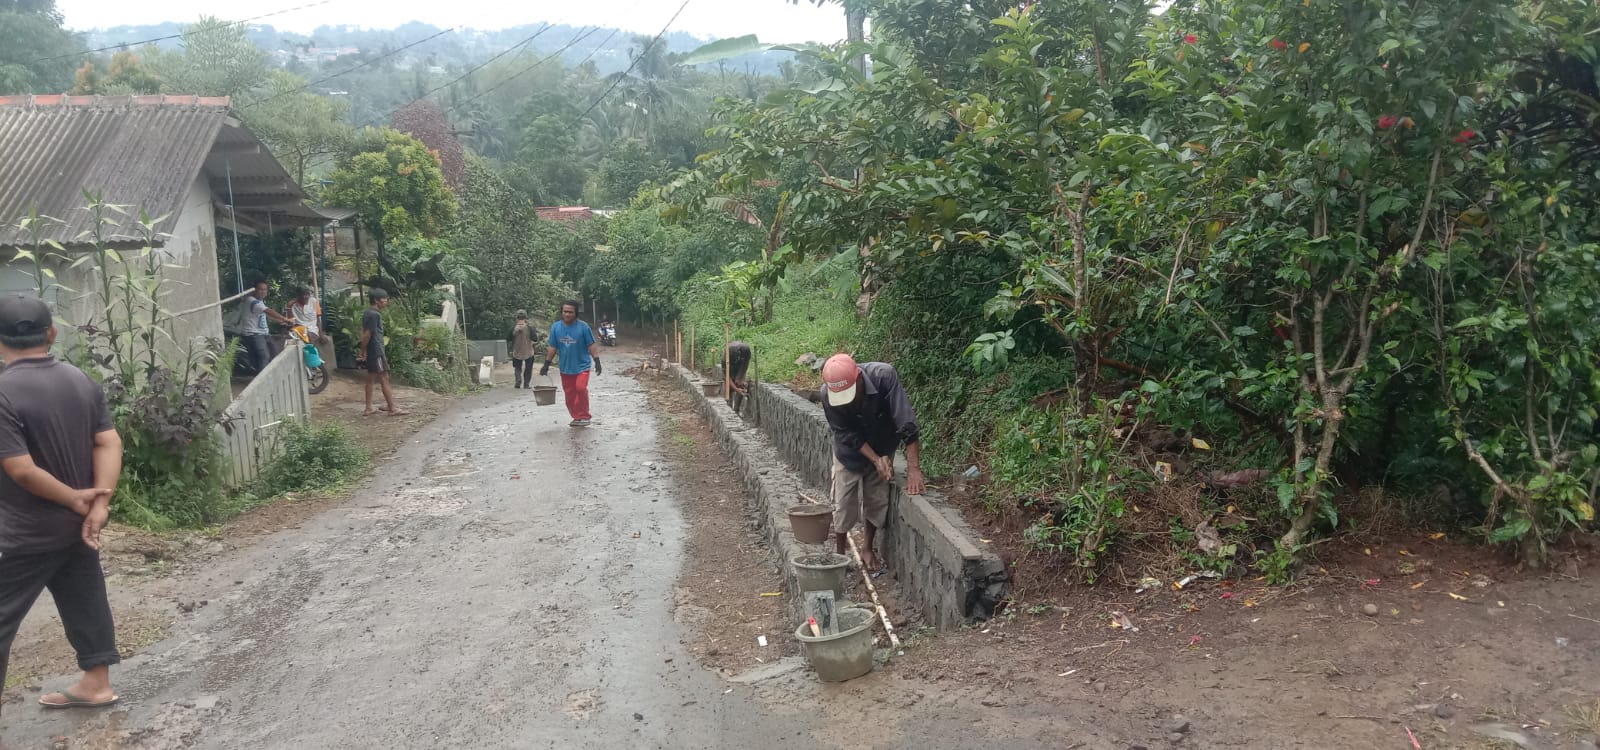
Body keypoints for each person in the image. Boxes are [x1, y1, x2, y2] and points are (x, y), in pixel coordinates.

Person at [0, 294, 124, 713]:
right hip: (79, 526)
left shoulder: (2, 392)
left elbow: (20, 469)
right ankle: (97, 682)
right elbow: (108, 440)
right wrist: (98, 505)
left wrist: (74, 498)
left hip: (22, 532)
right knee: (84, 596)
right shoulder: (79, 380)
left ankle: (94, 684)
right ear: (51, 334)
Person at [819, 353, 926, 572]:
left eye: (850, 393)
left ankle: (867, 547)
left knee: (876, 498)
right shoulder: (827, 394)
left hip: (883, 442)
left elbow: (906, 422)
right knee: (843, 501)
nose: (847, 400)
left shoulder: (884, 377)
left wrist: (914, 468)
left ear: (858, 377)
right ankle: (840, 554)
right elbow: (846, 433)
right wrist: (875, 459)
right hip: (849, 452)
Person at [540, 300, 601, 427]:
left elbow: (591, 344)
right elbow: (553, 347)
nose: (567, 314)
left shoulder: (583, 327)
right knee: (570, 394)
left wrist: (597, 360)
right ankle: (576, 417)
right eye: (565, 312)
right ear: (561, 312)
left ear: (575, 313)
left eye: (570, 312)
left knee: (580, 388)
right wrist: (546, 364)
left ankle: (584, 416)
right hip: (565, 368)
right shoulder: (556, 327)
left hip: (582, 366)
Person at [357, 289, 407, 417]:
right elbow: (368, 334)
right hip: (376, 350)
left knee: (371, 378)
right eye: (384, 299)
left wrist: (363, 349)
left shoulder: (368, 313)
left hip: (372, 350)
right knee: (384, 377)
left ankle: (369, 407)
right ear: (376, 300)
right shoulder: (375, 315)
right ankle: (392, 408)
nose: (386, 301)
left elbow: (363, 332)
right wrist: (363, 350)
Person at [240, 280, 293, 373]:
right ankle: (261, 379)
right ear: (254, 290)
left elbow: (264, 315)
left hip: (264, 333)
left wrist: (280, 321)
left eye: (265, 290)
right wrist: (285, 319)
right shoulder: (251, 301)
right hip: (253, 334)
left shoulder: (260, 301)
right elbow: (268, 311)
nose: (263, 292)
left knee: (274, 353)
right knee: (264, 355)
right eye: (260, 289)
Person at [508, 310, 539, 389]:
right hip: (528, 352)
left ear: (517, 318)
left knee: (517, 367)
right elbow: (535, 339)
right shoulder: (530, 328)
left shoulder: (513, 328)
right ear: (525, 318)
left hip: (516, 351)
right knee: (528, 368)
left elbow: (508, 339)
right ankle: (526, 384)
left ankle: (518, 380)